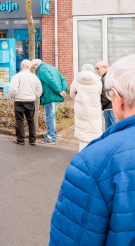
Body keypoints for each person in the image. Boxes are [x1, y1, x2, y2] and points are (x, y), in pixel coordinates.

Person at [49, 54, 135, 245]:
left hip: (82, 115)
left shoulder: (92, 163)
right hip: (94, 114)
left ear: (119, 99)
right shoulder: (97, 83)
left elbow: (75, 236)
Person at [32, 59, 68, 145]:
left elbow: (49, 81)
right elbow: (63, 80)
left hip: (49, 96)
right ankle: (51, 136)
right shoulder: (53, 68)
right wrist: (64, 90)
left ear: (36, 64)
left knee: (49, 118)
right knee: (51, 117)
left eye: (34, 67)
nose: (35, 69)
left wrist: (59, 91)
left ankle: (51, 138)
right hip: (54, 96)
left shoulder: (42, 69)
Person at [9, 59, 42, 145]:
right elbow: (39, 90)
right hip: (31, 101)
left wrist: (13, 96)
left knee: (19, 120)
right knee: (31, 120)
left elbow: (12, 89)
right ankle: (32, 140)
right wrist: (35, 97)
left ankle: (20, 140)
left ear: (22, 66)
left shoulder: (17, 76)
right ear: (30, 67)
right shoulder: (34, 77)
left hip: (19, 100)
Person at [71, 64, 103, 151]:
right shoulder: (98, 81)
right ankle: (93, 152)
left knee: (82, 130)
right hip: (94, 109)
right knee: (94, 129)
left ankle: (82, 152)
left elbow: (72, 94)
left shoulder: (77, 80)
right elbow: (99, 92)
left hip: (81, 109)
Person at [96, 61, 116, 129]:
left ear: (105, 67)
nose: (96, 70)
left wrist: (102, 106)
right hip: (111, 108)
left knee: (113, 130)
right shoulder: (110, 76)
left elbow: (106, 95)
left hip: (109, 108)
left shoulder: (106, 78)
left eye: (98, 68)